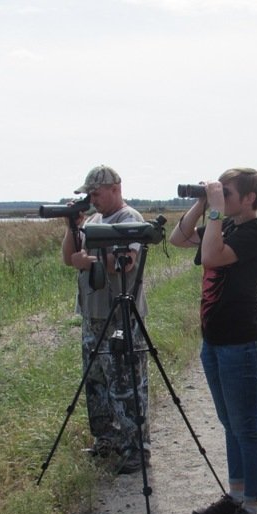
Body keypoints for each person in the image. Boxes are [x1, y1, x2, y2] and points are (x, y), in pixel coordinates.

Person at [168, 168, 257, 514]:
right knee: (231, 425)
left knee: (247, 427)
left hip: (242, 343)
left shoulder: (255, 234)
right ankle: (236, 496)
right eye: (220, 193)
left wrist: (214, 211)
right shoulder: (226, 226)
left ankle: (252, 512)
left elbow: (211, 256)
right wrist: (202, 203)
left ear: (249, 198)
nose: (222, 199)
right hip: (215, 341)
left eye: (227, 194)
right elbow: (179, 238)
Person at [61, 165, 150, 475]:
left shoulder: (130, 219)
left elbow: (127, 262)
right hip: (92, 315)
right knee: (96, 383)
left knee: (125, 384)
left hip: (120, 315)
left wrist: (89, 261)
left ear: (115, 188)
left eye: (96, 193)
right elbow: (68, 257)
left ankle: (135, 448)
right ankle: (106, 440)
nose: (92, 199)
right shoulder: (94, 220)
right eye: (88, 194)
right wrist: (73, 226)